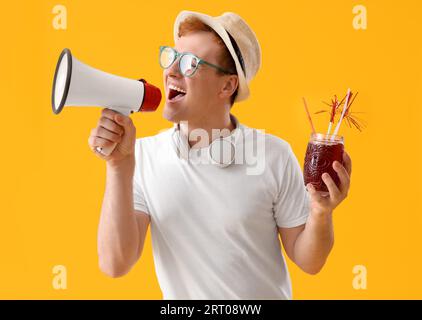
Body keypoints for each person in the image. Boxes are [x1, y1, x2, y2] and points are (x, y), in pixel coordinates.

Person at [88, 11, 352, 299]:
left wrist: (321, 212)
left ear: (227, 86)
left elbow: (310, 261)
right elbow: (115, 263)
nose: (171, 72)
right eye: (172, 56)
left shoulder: (273, 155)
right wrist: (118, 166)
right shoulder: (142, 156)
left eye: (189, 63)